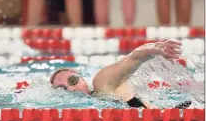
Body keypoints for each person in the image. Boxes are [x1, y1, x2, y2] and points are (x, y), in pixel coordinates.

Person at [49, 40, 193, 109]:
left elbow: (134, 57)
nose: (71, 88)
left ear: (82, 79)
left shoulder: (103, 83)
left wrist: (156, 48)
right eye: (63, 88)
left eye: (73, 80)